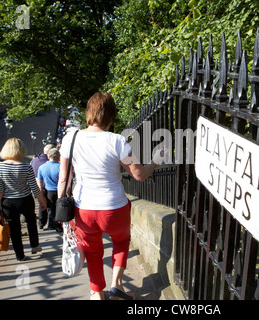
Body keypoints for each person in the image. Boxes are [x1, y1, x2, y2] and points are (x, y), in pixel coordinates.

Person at [58, 92, 165, 300]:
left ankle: (97, 293)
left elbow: (64, 179)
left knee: (93, 252)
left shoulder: (71, 138)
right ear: (111, 116)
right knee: (121, 241)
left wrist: (62, 212)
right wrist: (155, 160)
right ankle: (117, 286)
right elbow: (139, 175)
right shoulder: (117, 141)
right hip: (114, 207)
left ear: (89, 112)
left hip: (83, 208)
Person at [0, 138, 47, 261]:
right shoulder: (26, 167)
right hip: (25, 199)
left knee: (14, 228)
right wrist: (42, 201)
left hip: (8, 201)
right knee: (31, 221)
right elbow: (34, 188)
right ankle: (34, 245)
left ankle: (20, 255)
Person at [37, 148, 62, 232]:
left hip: (49, 191)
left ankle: (51, 225)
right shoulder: (61, 167)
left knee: (50, 209)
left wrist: (41, 196)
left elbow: (40, 184)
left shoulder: (41, 167)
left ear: (48, 156)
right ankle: (58, 225)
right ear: (58, 156)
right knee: (59, 208)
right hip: (59, 190)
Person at [30, 144, 54, 229]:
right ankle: (51, 224)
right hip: (50, 187)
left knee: (41, 206)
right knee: (51, 206)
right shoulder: (51, 162)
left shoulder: (34, 161)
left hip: (38, 187)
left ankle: (41, 223)